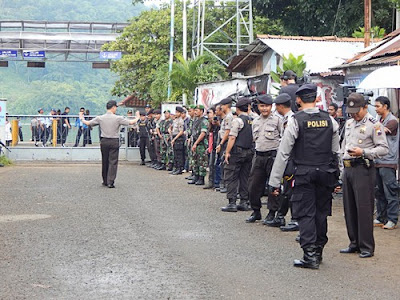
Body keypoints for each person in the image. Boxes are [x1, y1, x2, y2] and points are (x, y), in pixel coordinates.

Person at [268, 83, 340, 269]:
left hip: (303, 174)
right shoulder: (330, 120)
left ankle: (309, 256)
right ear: (316, 98)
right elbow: (335, 152)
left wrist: (275, 182)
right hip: (326, 174)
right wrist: (337, 177)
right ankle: (318, 250)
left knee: (305, 214)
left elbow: (283, 153)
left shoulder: (295, 120)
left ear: (298, 100)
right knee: (321, 213)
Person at [340, 93, 389, 258]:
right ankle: (353, 243)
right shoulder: (348, 123)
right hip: (348, 169)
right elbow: (343, 147)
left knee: (364, 209)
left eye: (357, 111)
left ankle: (366, 246)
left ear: (365, 107)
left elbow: (383, 149)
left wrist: (364, 152)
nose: (354, 114)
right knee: (349, 208)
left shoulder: (374, 125)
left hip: (363, 169)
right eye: (351, 111)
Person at [80, 100, 138, 188]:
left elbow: (88, 123)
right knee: (113, 161)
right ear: (113, 107)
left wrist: (81, 118)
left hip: (104, 141)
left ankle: (105, 180)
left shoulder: (100, 118)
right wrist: (137, 117)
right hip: (114, 140)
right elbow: (131, 122)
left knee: (105, 160)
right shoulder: (118, 118)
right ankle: (110, 181)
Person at [246, 94, 282, 222]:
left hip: (272, 156)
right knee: (253, 186)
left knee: (273, 186)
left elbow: (283, 138)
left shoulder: (278, 120)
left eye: (267, 106)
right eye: (262, 106)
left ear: (271, 107)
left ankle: (272, 213)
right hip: (258, 156)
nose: (264, 109)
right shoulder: (255, 121)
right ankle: (256, 211)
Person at [221, 98, 254, 212]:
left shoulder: (237, 121)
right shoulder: (252, 120)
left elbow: (232, 137)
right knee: (245, 177)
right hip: (249, 151)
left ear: (237, 108)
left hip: (237, 152)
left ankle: (232, 202)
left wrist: (227, 152)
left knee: (231, 176)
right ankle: (244, 201)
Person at [273, 93, 299, 232]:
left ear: (280, 106)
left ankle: (295, 219)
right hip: (286, 159)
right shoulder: (285, 119)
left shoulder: (292, 120)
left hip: (292, 159)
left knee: (292, 189)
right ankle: (281, 216)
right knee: (286, 189)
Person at [373, 96, 399, 230]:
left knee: (390, 191)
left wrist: (373, 126)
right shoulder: (380, 120)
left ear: (385, 106)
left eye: (378, 106)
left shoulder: (392, 121)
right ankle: (381, 217)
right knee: (379, 192)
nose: (376, 109)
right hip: (378, 160)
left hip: (388, 161)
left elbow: (381, 131)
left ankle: (392, 219)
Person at [216, 98, 234, 193]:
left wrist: (221, 144)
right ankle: (224, 184)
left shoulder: (229, 117)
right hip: (223, 141)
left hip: (225, 142)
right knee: (222, 164)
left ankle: (226, 184)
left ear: (226, 105)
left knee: (225, 164)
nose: (221, 107)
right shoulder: (227, 116)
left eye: (222, 105)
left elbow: (227, 132)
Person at [188, 105, 209, 185]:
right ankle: (196, 176)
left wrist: (196, 143)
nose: (195, 112)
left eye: (197, 110)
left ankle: (201, 178)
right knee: (195, 161)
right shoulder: (195, 120)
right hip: (195, 143)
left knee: (202, 161)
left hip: (201, 144)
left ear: (201, 111)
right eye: (195, 110)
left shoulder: (204, 121)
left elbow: (202, 133)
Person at [204, 107, 220, 189]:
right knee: (211, 165)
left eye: (209, 113)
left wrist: (216, 123)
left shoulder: (218, 122)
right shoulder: (211, 124)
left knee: (216, 165)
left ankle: (216, 183)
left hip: (218, 147)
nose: (208, 115)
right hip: (212, 146)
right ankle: (211, 182)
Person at [170, 106, 186, 175]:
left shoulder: (181, 121)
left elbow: (181, 131)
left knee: (179, 155)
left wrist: (174, 139)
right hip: (174, 137)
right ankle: (176, 168)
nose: (176, 113)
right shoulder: (175, 120)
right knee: (175, 154)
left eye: (177, 112)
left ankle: (179, 168)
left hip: (179, 138)